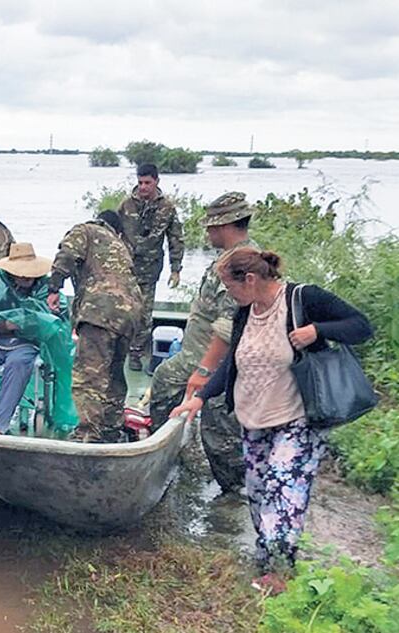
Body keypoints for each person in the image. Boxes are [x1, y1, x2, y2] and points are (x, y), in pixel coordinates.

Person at [171, 248, 373, 592]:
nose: (229, 294)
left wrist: (317, 330)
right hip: (254, 421)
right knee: (261, 494)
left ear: (250, 279)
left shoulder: (302, 299)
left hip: (296, 418)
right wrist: (199, 399)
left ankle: (280, 574)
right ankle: (266, 563)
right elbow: (232, 365)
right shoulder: (245, 312)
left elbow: (361, 327)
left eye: (230, 287)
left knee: (284, 491)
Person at [150, 192, 258, 493]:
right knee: (164, 385)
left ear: (226, 225)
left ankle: (237, 492)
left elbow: (227, 327)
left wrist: (205, 371)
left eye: (211, 227)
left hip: (218, 362)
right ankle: (169, 451)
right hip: (198, 355)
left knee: (220, 433)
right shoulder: (229, 257)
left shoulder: (241, 262)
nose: (208, 232)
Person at [0, 243, 75, 434]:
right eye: (21, 272)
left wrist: (31, 321)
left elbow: (57, 324)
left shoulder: (47, 289)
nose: (25, 277)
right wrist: (6, 324)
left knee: (18, 364)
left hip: (26, 344)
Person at [47, 210, 142, 442]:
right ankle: (111, 427)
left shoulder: (86, 230)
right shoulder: (121, 246)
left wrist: (54, 287)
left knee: (89, 376)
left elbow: (68, 253)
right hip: (131, 314)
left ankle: (87, 435)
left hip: (100, 310)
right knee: (113, 372)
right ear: (117, 230)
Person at [116, 163, 184, 371]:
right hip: (125, 268)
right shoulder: (126, 205)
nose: (143, 187)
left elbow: (175, 238)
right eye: (140, 182)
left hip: (150, 268)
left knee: (144, 314)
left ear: (156, 181)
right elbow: (112, 233)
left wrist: (176, 268)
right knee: (123, 311)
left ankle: (136, 354)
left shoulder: (167, 208)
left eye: (147, 182)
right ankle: (119, 352)